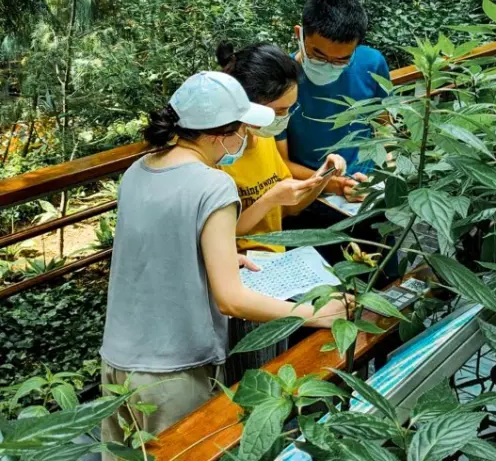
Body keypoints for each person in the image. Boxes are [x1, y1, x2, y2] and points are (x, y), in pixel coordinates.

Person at [99, 71, 350, 456]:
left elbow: (152, 246)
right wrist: (314, 314)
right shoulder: (213, 184)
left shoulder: (140, 169)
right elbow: (230, 300)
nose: (246, 137)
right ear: (221, 133)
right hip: (173, 372)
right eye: (243, 129)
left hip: (117, 362)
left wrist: (213, 254)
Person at [215, 42, 347, 381]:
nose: (285, 119)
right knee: (259, 376)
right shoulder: (218, 156)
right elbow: (224, 236)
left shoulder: (263, 140)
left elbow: (290, 207)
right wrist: (270, 199)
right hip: (243, 281)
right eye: (278, 111)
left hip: (279, 264)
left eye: (290, 109)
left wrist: (322, 178)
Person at [277, 0, 397, 275]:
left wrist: (385, 176)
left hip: (367, 198)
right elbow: (280, 163)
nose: (329, 65)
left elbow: (383, 128)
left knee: (383, 283)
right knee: (320, 294)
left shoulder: (372, 63)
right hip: (310, 202)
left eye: (341, 59)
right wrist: (332, 184)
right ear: (300, 34)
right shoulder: (280, 79)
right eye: (318, 54)